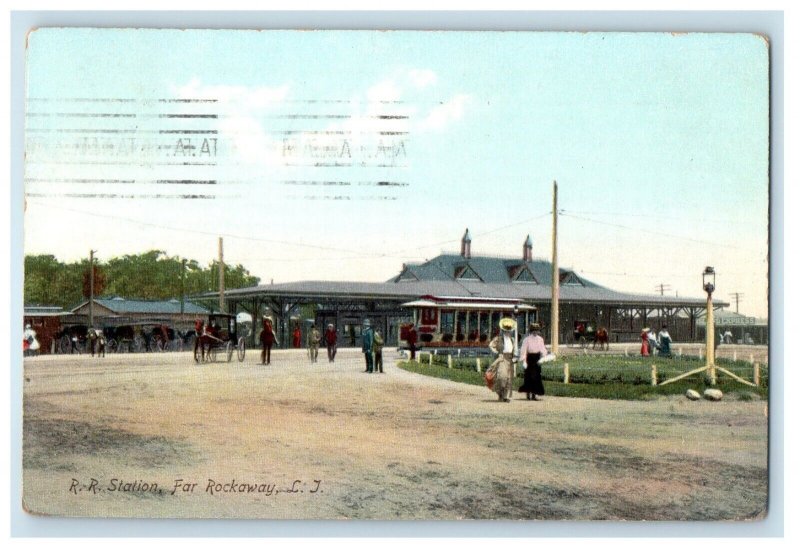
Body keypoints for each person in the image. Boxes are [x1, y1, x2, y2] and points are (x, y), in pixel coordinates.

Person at [487, 318, 517, 402]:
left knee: (509, 378)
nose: (507, 331)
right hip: (502, 358)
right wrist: (496, 352)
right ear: (503, 330)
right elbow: (491, 345)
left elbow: (514, 350)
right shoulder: (498, 338)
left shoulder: (512, 339)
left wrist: (515, 357)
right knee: (502, 377)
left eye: (509, 330)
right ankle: (500, 393)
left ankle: (504, 396)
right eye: (506, 330)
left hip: (510, 359)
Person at [518, 323, 547, 400]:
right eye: (534, 330)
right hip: (529, 358)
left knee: (536, 377)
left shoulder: (540, 339)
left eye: (536, 330)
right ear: (531, 331)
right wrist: (524, 361)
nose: (535, 332)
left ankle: (534, 394)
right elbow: (523, 350)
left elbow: (543, 349)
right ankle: (528, 394)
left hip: (537, 359)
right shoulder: (527, 340)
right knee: (529, 376)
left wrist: (543, 357)